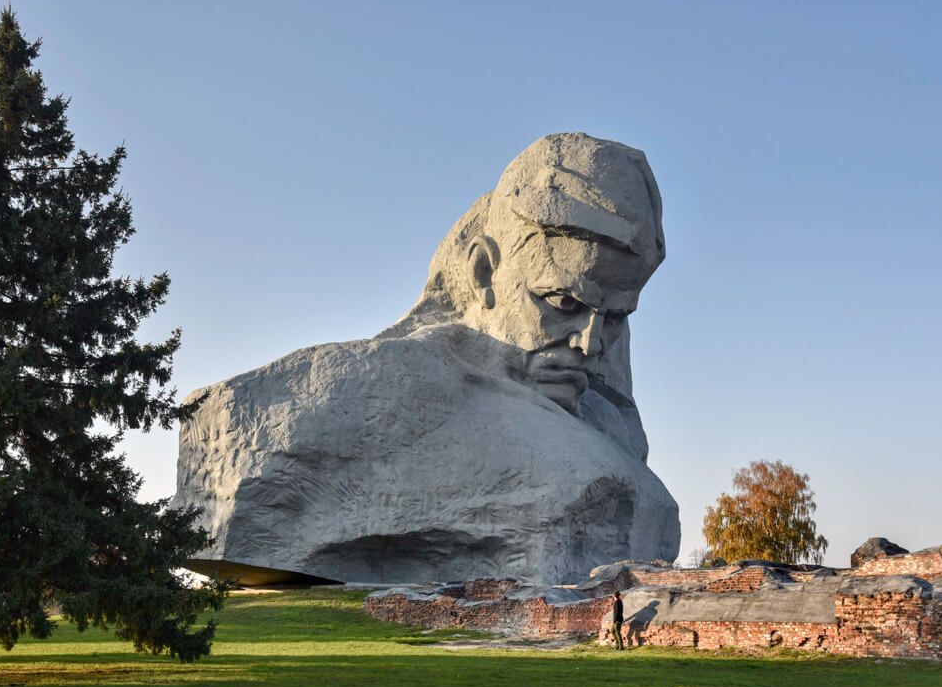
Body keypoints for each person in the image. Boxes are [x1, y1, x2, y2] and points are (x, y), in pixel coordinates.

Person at [174, 133, 681, 586]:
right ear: (484, 272)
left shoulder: (606, 417)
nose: (591, 345)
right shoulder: (380, 388)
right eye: (561, 303)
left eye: (615, 317)